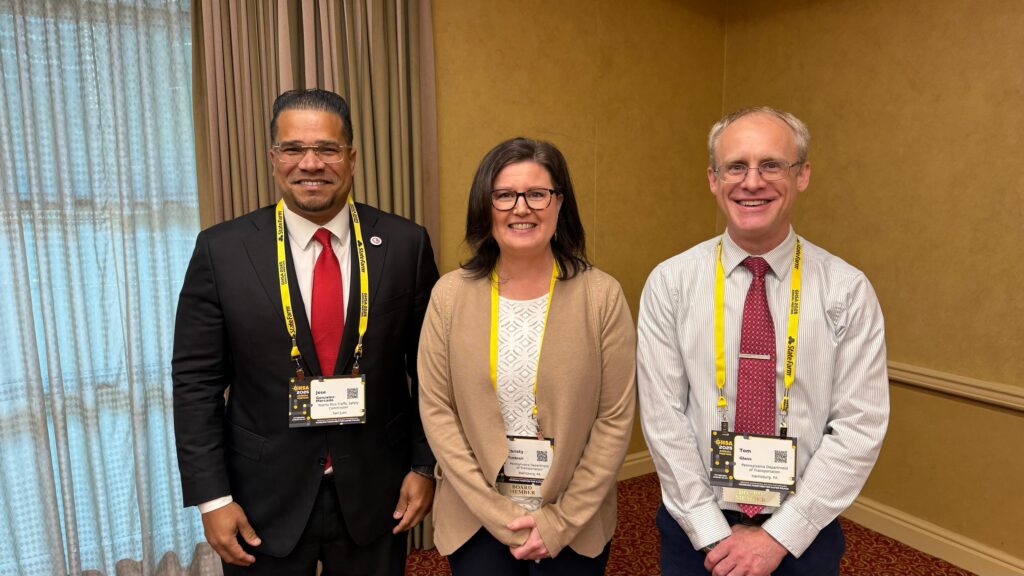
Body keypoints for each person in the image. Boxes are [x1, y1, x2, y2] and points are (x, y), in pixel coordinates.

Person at [172, 88, 439, 576]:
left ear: (351, 159)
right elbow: (195, 383)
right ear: (273, 158)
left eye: (327, 149)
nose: (310, 163)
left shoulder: (406, 244)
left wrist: (424, 466)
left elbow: (430, 372)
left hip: (377, 491)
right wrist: (213, 498)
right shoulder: (222, 250)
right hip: (261, 497)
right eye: (293, 148)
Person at [637, 107, 889, 576]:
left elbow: (860, 425)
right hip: (694, 530)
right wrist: (710, 530)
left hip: (803, 533)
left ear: (802, 175)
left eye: (771, 165)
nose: (752, 182)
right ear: (713, 179)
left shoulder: (847, 290)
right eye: (736, 166)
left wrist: (780, 536)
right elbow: (662, 417)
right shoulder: (670, 283)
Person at [417, 137, 636, 575]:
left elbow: (614, 419)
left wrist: (561, 522)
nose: (521, 208)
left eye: (537, 194)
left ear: (560, 203)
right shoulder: (449, 295)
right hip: (476, 516)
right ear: (486, 206)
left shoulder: (602, 295)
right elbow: (437, 410)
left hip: (574, 515)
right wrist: (498, 516)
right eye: (504, 195)